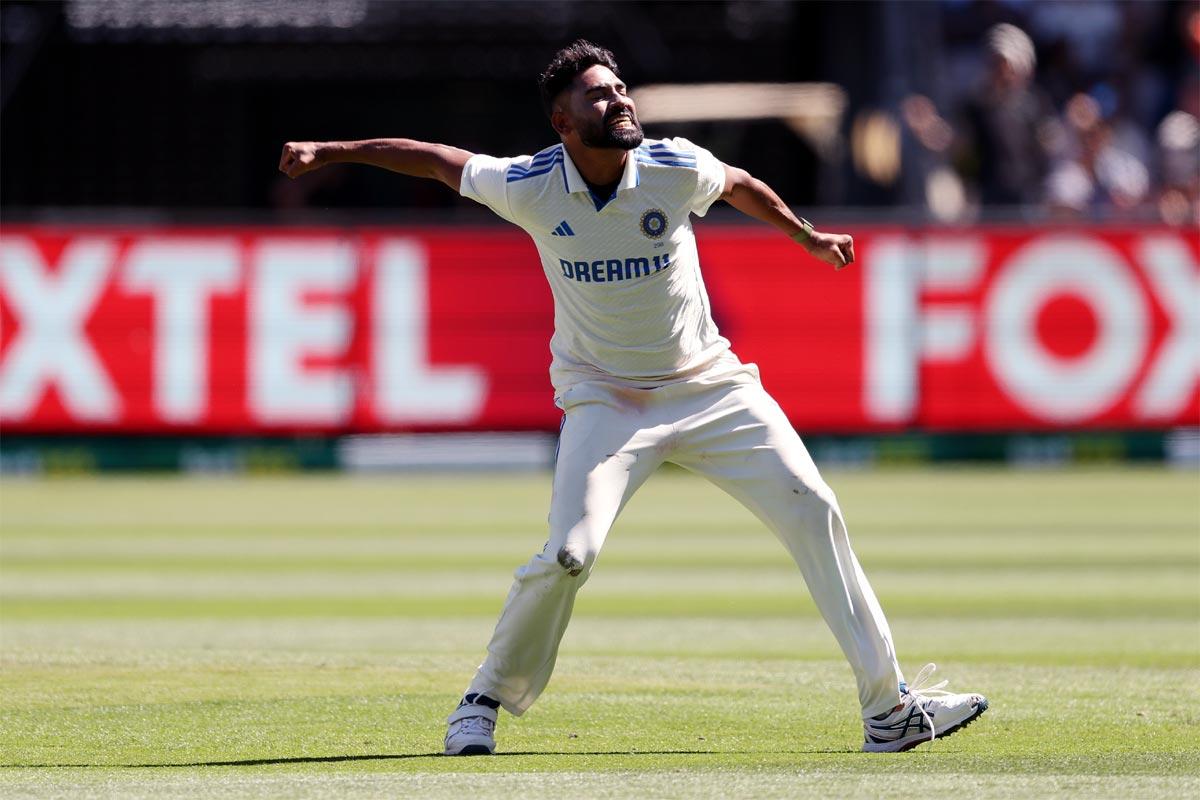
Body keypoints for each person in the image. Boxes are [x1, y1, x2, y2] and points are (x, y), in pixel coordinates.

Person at [279, 39, 988, 755]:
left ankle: (888, 710)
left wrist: (803, 237)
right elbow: (436, 159)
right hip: (605, 402)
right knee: (568, 556)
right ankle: (483, 697)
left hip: (710, 387)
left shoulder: (672, 166)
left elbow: (736, 182)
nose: (619, 100)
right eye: (599, 95)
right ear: (563, 121)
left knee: (815, 509)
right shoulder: (531, 185)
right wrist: (328, 151)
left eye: (621, 89)